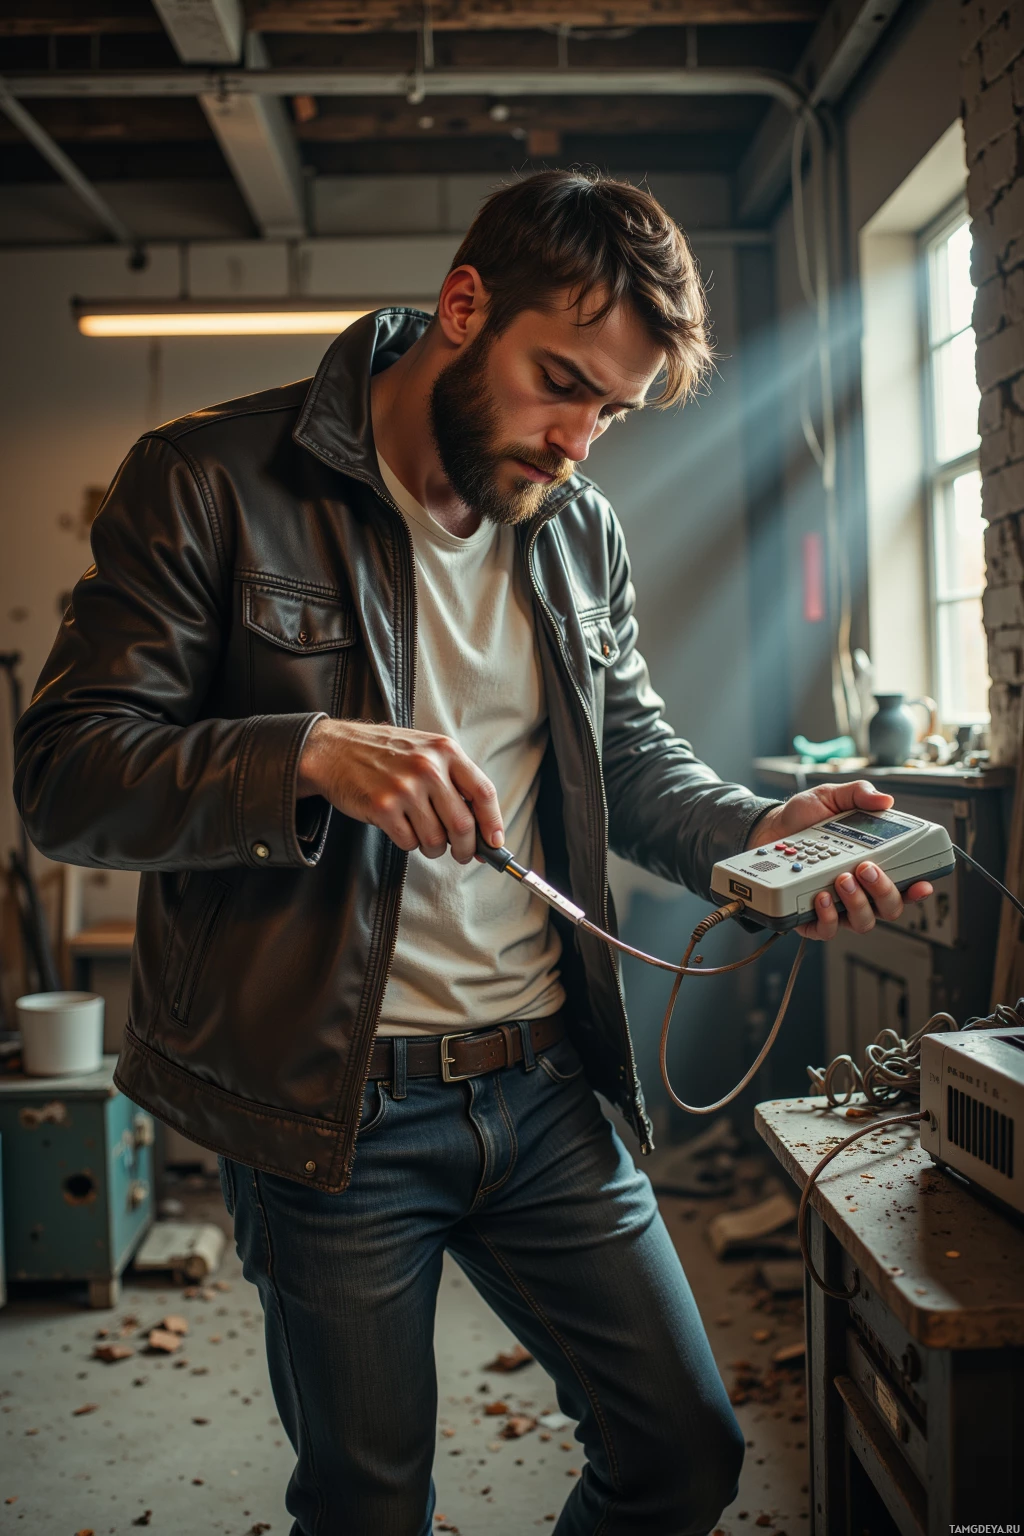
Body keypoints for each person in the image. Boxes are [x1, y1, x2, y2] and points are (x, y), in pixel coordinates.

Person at [14, 169, 931, 1536]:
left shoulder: (577, 532)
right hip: (333, 1116)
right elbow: (67, 772)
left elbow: (631, 761)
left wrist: (757, 831)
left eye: (610, 411)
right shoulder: (208, 481)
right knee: (370, 1505)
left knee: (683, 1454)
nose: (577, 441)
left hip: (547, 1091)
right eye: (559, 382)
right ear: (461, 308)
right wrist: (308, 751)